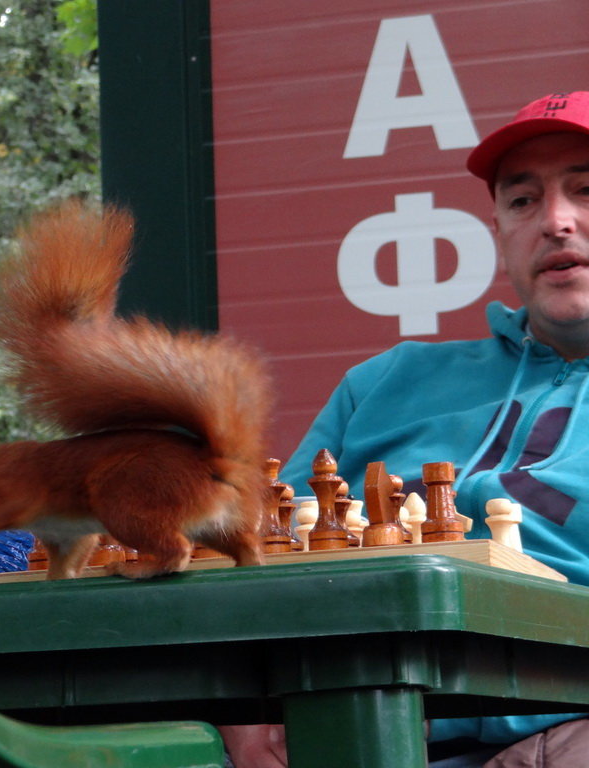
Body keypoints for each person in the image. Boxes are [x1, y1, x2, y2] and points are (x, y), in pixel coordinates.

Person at [223, 91, 589, 767]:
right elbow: (253, 562)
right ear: (501, 232)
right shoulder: (387, 381)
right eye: (523, 201)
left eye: (586, 190)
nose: (556, 222)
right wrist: (242, 713)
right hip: (336, 721)